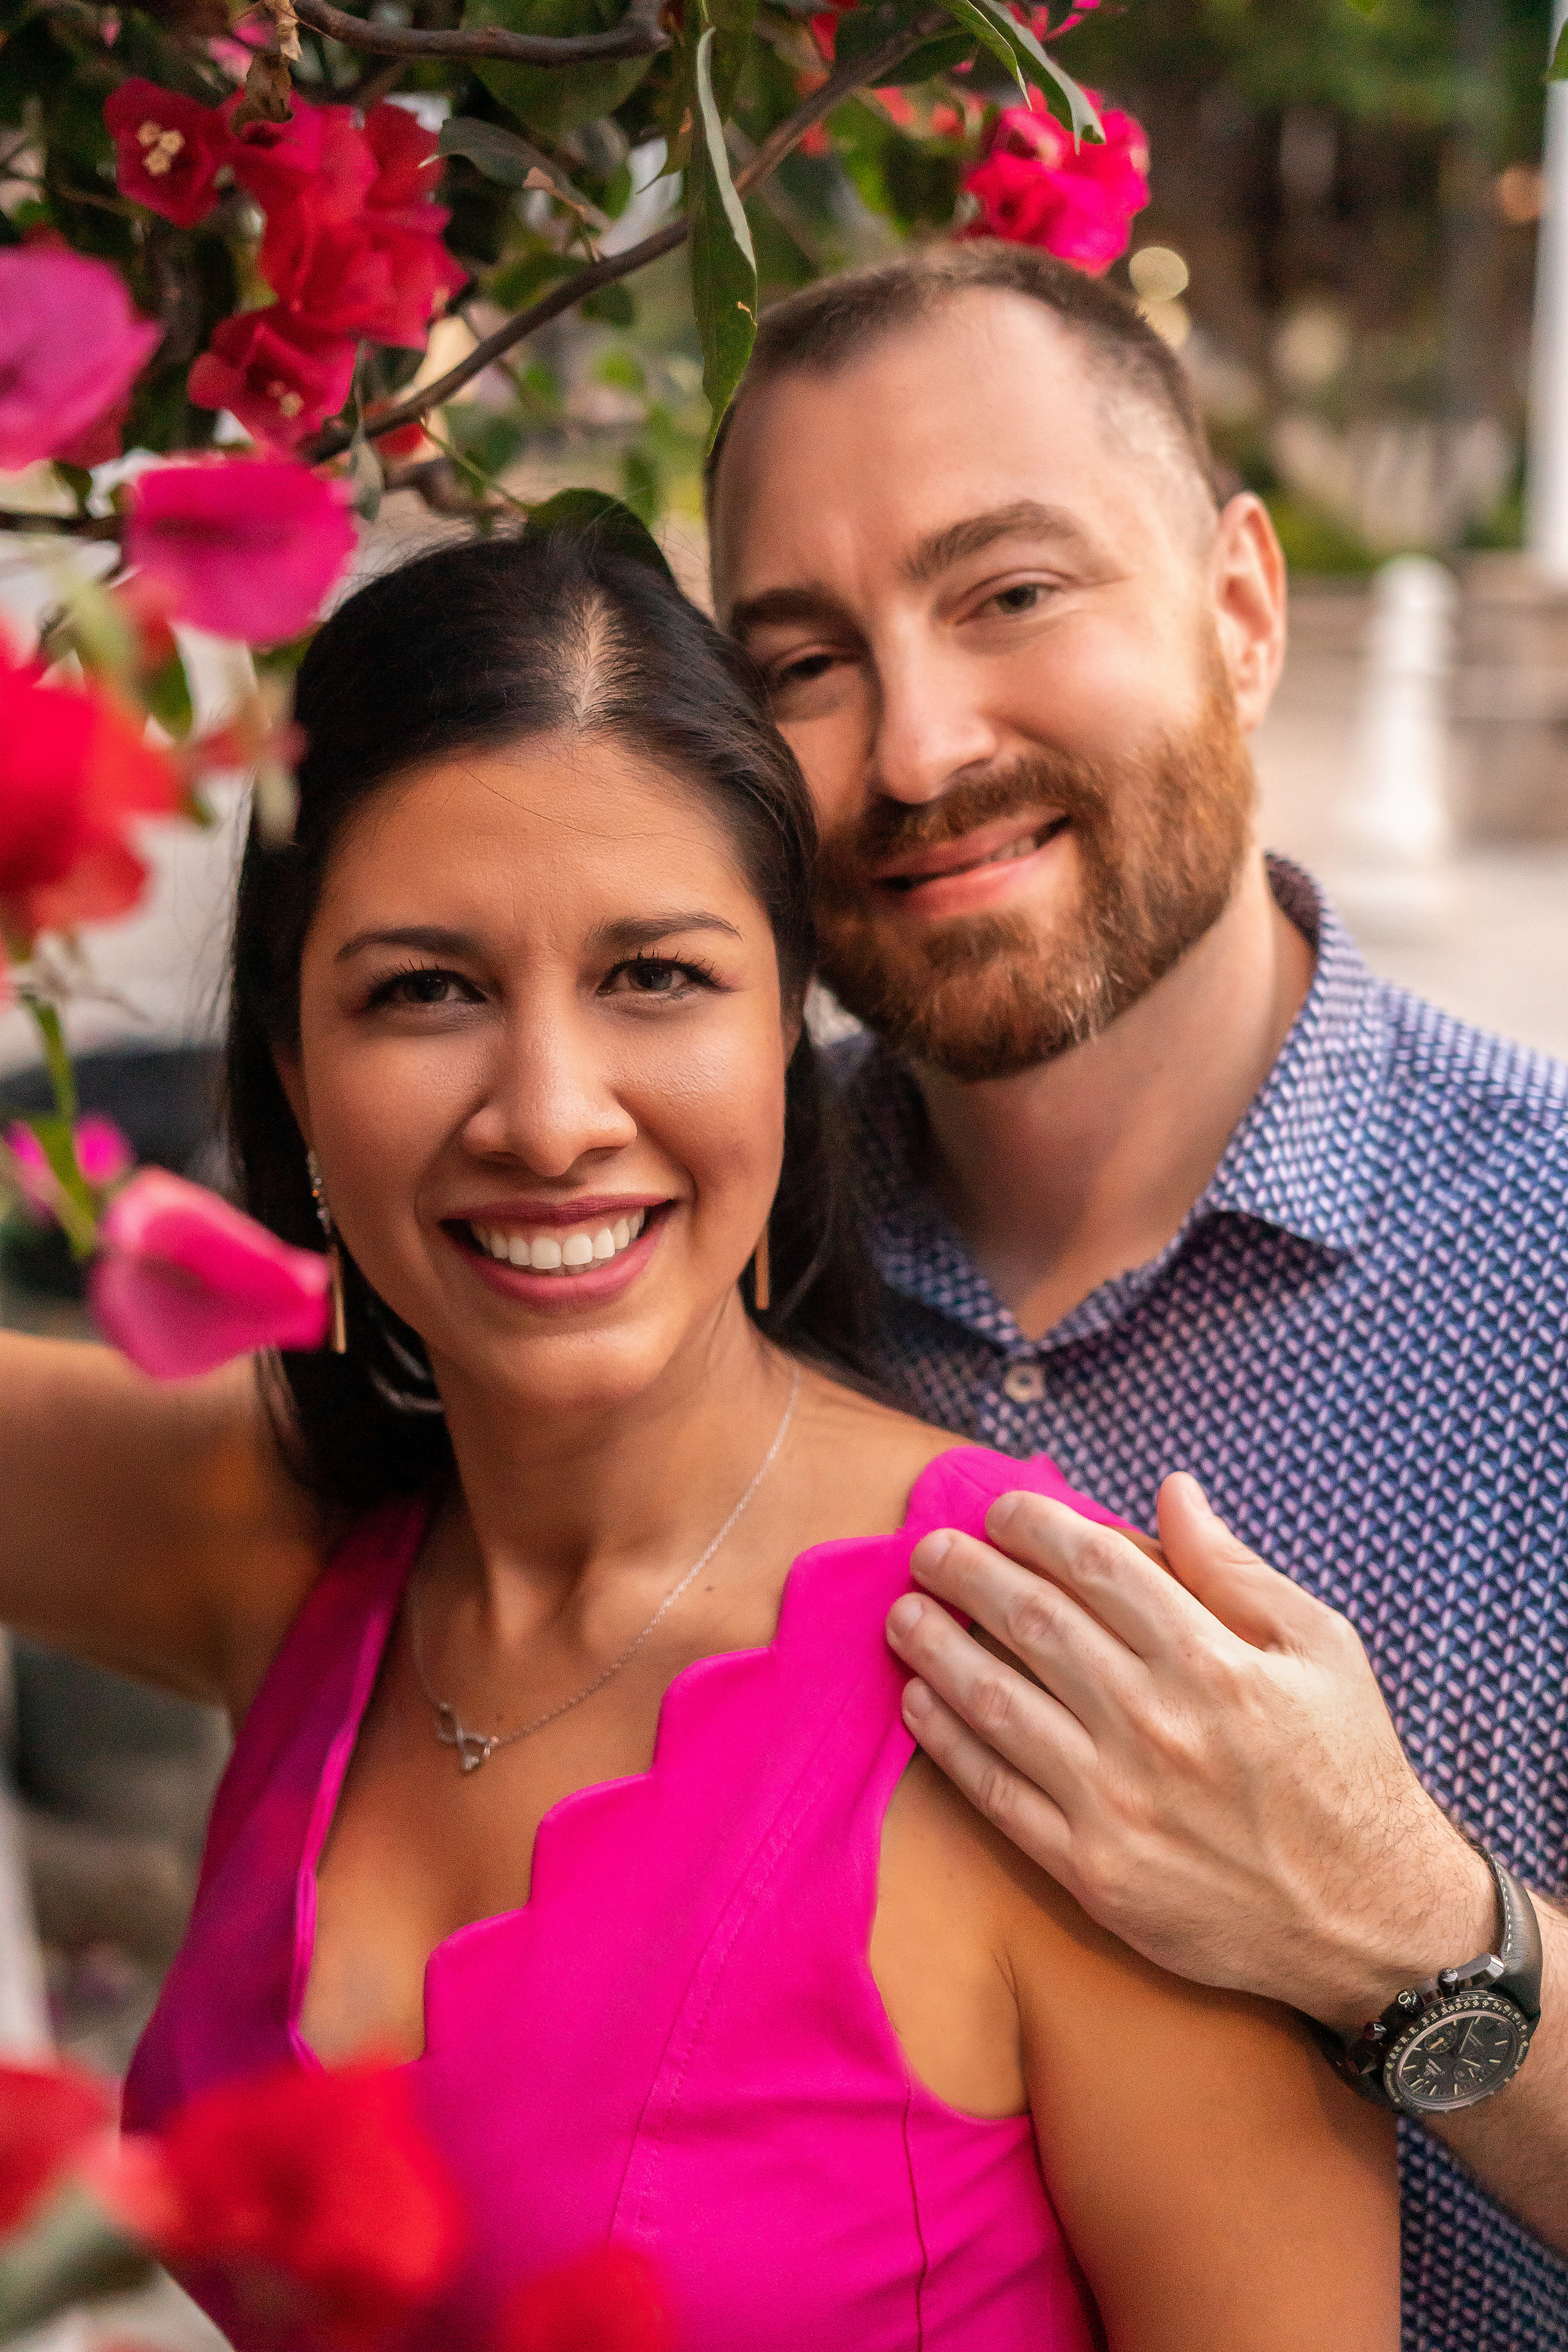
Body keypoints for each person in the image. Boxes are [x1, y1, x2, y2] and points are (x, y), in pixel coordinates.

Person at [0, 534, 1396, 2350]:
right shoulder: (277, 1535)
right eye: (424, 990)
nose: (551, 1114)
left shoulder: (1052, 1696)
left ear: (783, 1029)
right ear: (289, 1069)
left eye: (655, 975)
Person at [705, 242, 1568, 2348]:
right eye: (803, 662)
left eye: (1011, 593)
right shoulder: (684, 1245)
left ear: (1241, 612)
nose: (914, 748)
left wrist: (1399, 1928)